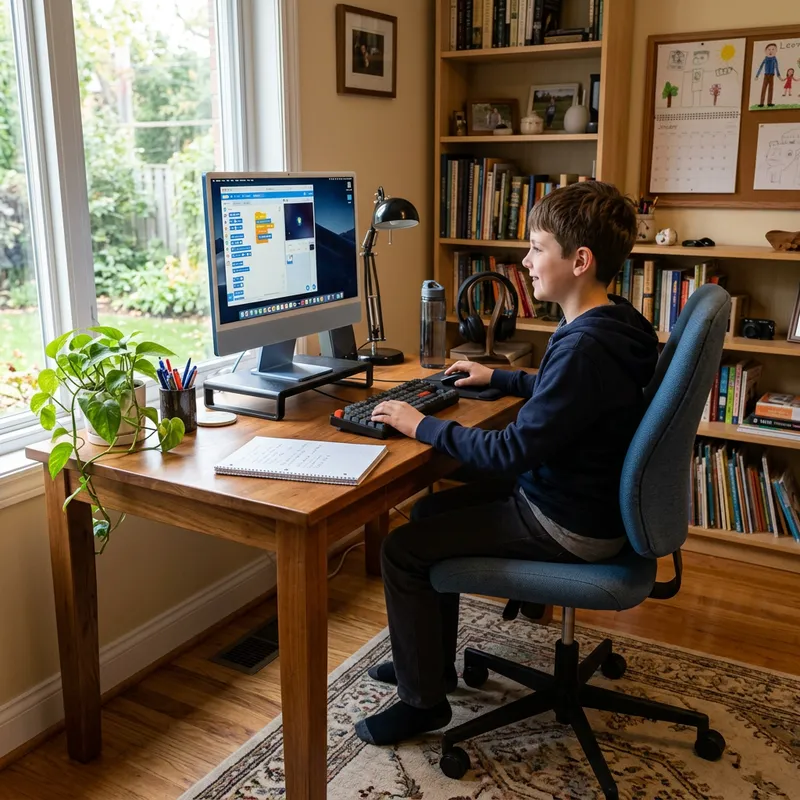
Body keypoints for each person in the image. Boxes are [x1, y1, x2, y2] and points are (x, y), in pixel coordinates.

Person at [353, 181, 659, 747]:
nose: (526, 261)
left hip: (565, 523)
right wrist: (499, 376)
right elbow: (566, 394)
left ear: (580, 261)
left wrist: (418, 423)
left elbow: (510, 450)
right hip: (584, 502)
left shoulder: (583, 346)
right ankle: (431, 668)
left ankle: (424, 706)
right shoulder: (617, 322)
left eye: (538, 247)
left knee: (400, 551)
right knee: (426, 516)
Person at [755, 42, 781, 107]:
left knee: (771, 89)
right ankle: (761, 103)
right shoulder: (765, 59)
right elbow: (761, 67)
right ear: (765, 51)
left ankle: (769, 102)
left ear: (776, 51)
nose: (771, 51)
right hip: (766, 75)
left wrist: (778, 75)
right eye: (769, 49)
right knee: (764, 88)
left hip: (772, 75)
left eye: (773, 49)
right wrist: (757, 75)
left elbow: (776, 67)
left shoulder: (774, 59)